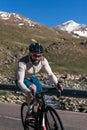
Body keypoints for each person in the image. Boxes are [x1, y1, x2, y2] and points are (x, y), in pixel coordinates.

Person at [16, 42, 63, 122]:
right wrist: (28, 92)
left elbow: (50, 74)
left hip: (32, 77)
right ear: (30, 54)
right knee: (33, 89)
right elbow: (20, 81)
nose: (37, 58)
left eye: (39, 56)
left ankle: (40, 117)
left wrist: (57, 84)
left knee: (40, 98)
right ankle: (29, 113)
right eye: (35, 56)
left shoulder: (43, 60)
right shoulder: (23, 62)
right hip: (22, 79)